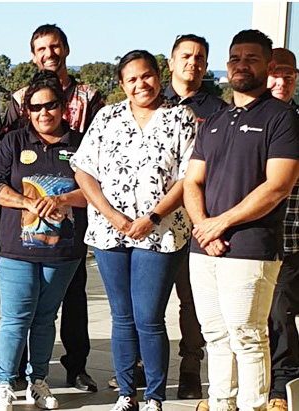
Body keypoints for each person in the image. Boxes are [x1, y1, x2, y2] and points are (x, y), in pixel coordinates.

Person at [72, 50, 197, 411]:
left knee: (149, 318)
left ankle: (154, 396)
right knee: (122, 317)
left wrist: (152, 218)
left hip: (161, 232)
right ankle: (126, 393)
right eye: (132, 79)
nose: (141, 84)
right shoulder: (107, 117)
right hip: (110, 232)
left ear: (159, 76)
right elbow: (83, 170)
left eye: (147, 76)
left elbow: (188, 177)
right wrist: (111, 215)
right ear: (122, 84)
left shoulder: (181, 118)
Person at [184, 29, 299, 411]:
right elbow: (192, 182)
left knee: (248, 337)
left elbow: (278, 185)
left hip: (250, 247)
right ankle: (221, 403)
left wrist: (220, 224)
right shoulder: (214, 120)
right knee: (215, 336)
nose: (241, 65)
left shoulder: (281, 117)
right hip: (204, 248)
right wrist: (204, 226)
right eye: (235, 58)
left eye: (251, 58)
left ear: (267, 65)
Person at [0, 24, 103, 393]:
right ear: (33, 56)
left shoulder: (89, 96)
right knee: (22, 306)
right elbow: (8, 149)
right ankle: (15, 372)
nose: (49, 53)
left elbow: (99, 148)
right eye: (41, 48)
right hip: (26, 222)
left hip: (72, 215)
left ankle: (76, 367)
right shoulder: (19, 98)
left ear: (66, 49)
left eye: (55, 46)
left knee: (73, 297)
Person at [0, 71, 87, 411]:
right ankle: (4, 383)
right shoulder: (14, 142)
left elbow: (95, 191)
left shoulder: (81, 143)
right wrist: (26, 202)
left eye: (51, 105)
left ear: (63, 106)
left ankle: (38, 381)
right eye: (36, 107)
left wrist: (62, 200)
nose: (44, 113)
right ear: (27, 110)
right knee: (15, 318)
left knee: (45, 319)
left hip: (63, 250)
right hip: (16, 249)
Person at [159, 33, 228, 400]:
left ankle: (190, 368)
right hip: (154, 220)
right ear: (171, 62)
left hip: (197, 218)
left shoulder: (218, 110)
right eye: (185, 56)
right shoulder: (151, 101)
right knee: (148, 301)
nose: (193, 62)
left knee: (192, 301)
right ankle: (140, 365)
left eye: (200, 57)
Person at [267, 47, 299, 411]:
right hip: (250, 238)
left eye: (288, 75)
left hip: (291, 236)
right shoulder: (246, 119)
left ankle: (282, 387)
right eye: (275, 74)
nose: (282, 81)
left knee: (281, 315)